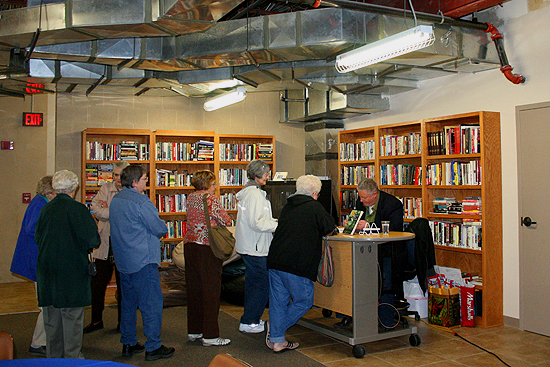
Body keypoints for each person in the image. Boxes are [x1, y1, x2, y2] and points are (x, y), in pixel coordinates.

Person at [109, 165, 175, 361]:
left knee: (128, 303)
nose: (147, 182)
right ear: (135, 182)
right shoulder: (142, 202)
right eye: (145, 179)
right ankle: (153, 346)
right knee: (151, 304)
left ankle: (128, 343)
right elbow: (159, 228)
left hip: (123, 260)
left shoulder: (116, 199)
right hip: (142, 260)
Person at [266, 175, 337, 353]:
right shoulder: (314, 207)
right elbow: (330, 228)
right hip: (296, 262)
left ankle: (277, 341)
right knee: (304, 300)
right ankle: (276, 331)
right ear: (314, 193)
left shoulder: (288, 206)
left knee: (278, 301)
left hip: (275, 260)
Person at [35, 170, 101, 358]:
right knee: (72, 321)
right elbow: (92, 240)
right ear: (74, 188)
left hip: (47, 272)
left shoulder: (46, 208)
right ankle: (72, 360)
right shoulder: (78, 209)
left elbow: (38, 237)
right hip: (71, 272)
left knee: (52, 323)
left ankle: (54, 360)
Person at [334, 177, 404, 329]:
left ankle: (386, 320)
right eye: (360, 197)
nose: (361, 200)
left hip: (386, 251)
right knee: (348, 276)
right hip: (363, 250)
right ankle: (348, 315)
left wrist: (370, 226)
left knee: (384, 280)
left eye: (364, 197)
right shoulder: (361, 202)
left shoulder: (393, 204)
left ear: (375, 195)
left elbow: (395, 228)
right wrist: (350, 223)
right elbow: (356, 219)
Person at [183, 170, 233, 347]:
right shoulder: (210, 199)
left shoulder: (190, 198)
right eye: (213, 184)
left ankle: (194, 330)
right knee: (211, 291)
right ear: (206, 185)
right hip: (207, 248)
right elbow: (226, 220)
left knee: (194, 289)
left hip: (190, 246)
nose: (216, 187)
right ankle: (211, 335)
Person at [10, 176, 56, 356]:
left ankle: (43, 340)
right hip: (36, 261)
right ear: (49, 192)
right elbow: (33, 231)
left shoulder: (39, 202)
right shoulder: (40, 205)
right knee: (46, 304)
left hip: (35, 260)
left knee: (46, 303)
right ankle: (38, 342)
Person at [84, 160, 129, 334]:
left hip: (123, 245)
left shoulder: (132, 190)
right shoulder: (105, 188)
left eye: (120, 175)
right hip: (103, 244)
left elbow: (128, 215)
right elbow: (97, 211)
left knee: (123, 286)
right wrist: (116, 212)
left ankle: (122, 323)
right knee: (97, 286)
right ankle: (96, 320)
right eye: (115, 175)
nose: (117, 179)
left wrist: (109, 210)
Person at [235, 160, 278, 333]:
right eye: (265, 173)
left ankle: (251, 319)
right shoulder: (254, 195)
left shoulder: (250, 193)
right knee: (260, 285)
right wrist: (277, 225)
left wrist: (271, 222)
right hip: (256, 247)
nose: (268, 176)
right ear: (256, 175)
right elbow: (256, 223)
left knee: (254, 284)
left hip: (252, 245)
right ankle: (250, 321)